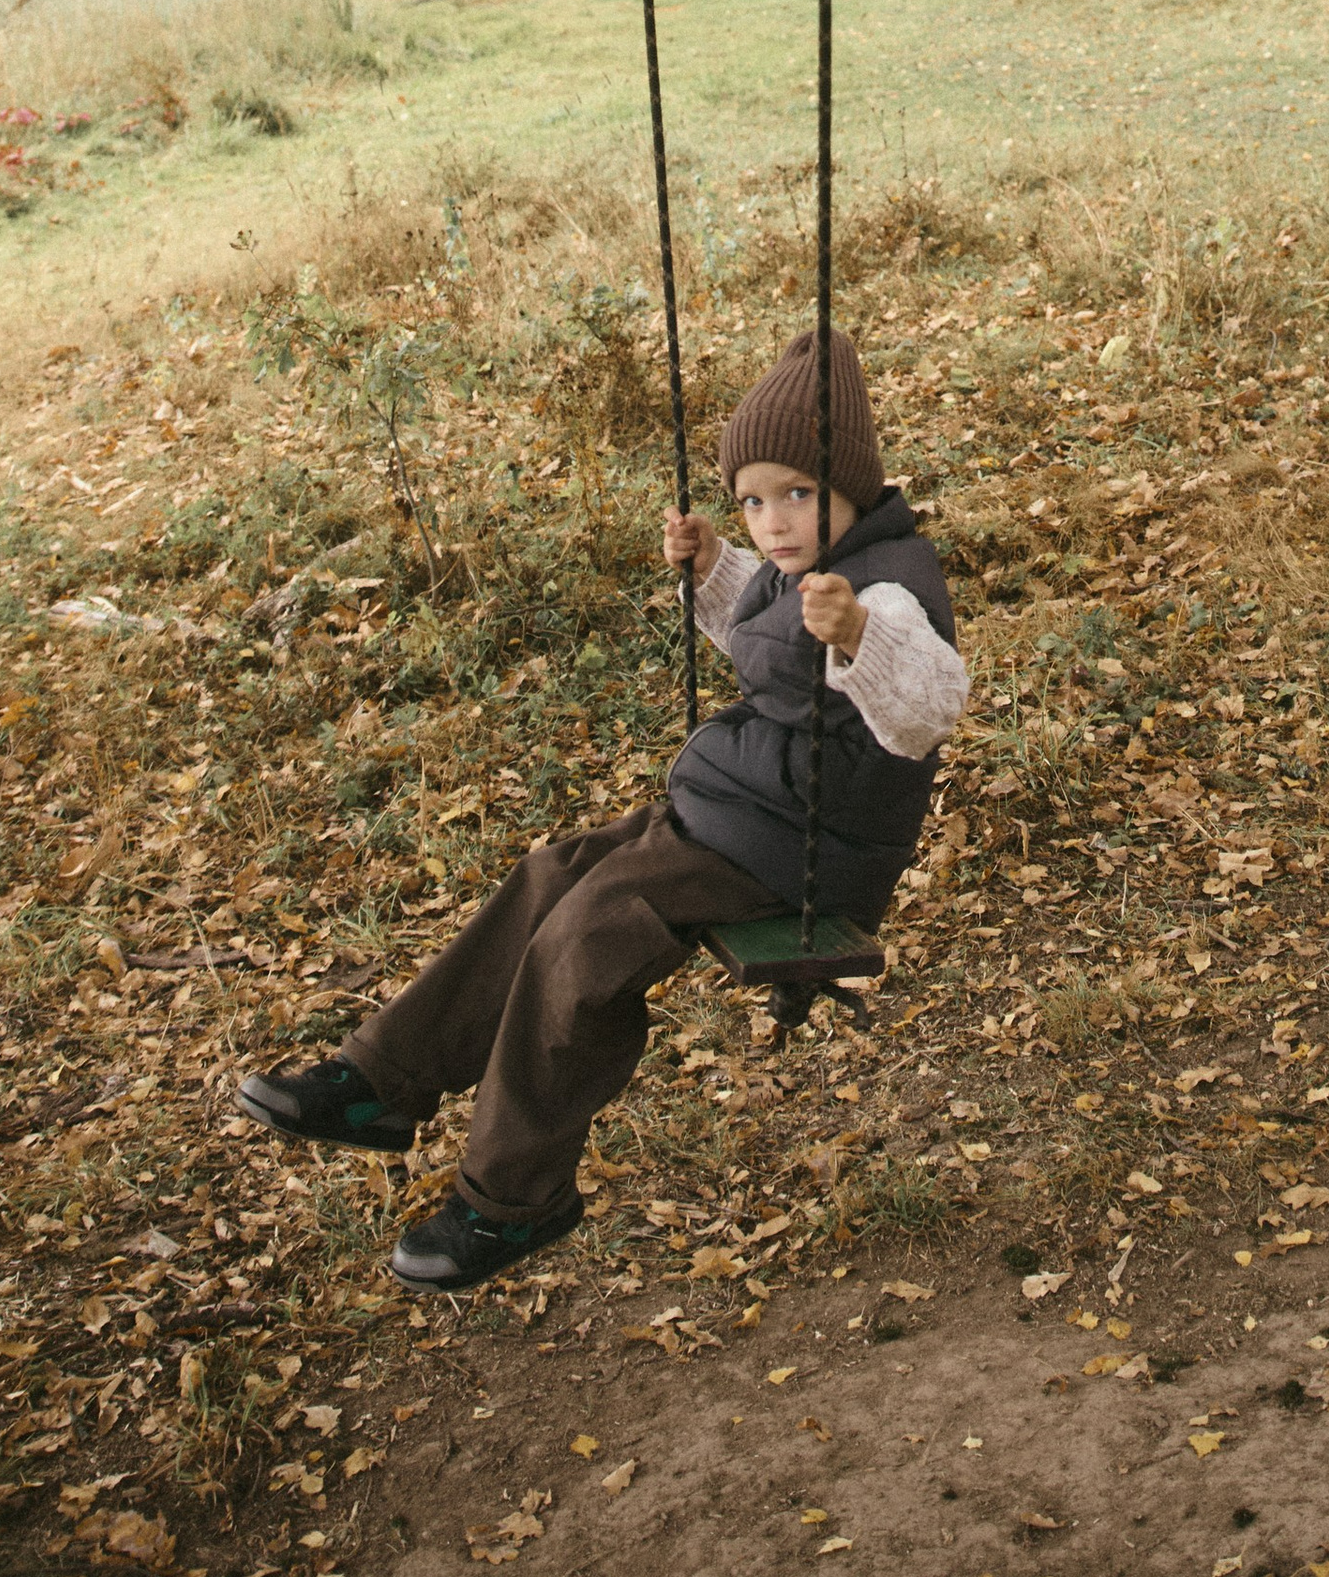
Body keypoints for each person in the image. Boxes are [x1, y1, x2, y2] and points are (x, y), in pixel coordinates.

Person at [236, 325, 967, 1291]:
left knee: (584, 939)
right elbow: (773, 645)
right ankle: (380, 1083)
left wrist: (861, 633)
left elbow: (929, 708)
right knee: (551, 877)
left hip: (803, 850)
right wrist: (714, 568)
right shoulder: (797, 569)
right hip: (741, 815)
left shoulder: (890, 585)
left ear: (853, 489)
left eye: (797, 494)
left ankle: (512, 1200)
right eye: (752, 502)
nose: (775, 523)